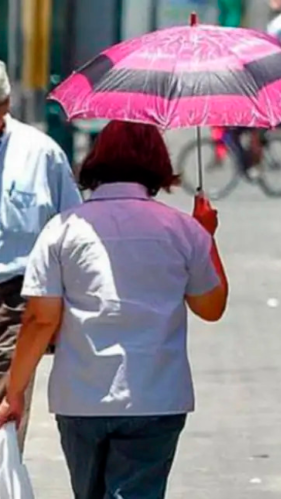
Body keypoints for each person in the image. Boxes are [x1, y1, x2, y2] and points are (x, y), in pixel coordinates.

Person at [0, 121, 228, 499]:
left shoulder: (61, 230)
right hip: (156, 396)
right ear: (157, 163)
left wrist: (16, 391)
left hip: (81, 397)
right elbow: (211, 306)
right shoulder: (182, 230)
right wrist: (207, 236)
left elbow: (41, 319)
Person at [0, 60, 82, 454]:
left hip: (16, 302)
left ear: (6, 103)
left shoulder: (41, 154)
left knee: (4, 416)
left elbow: (73, 228)